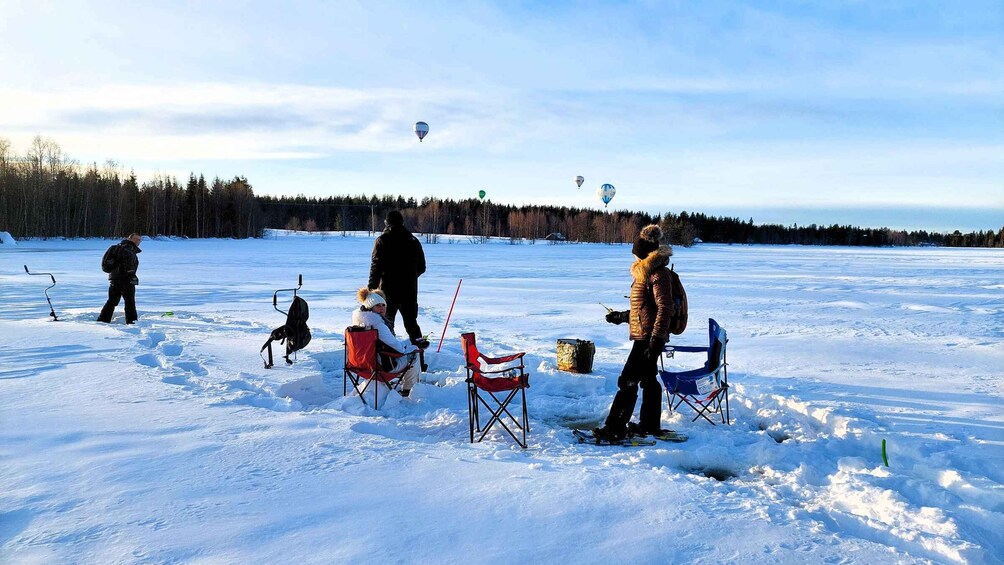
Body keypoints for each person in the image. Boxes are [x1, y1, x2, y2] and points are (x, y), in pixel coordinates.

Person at [594, 224, 675, 442]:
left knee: (628, 380)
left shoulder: (658, 274)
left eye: (635, 252)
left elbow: (665, 308)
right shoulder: (646, 273)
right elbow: (644, 308)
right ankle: (649, 425)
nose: (632, 256)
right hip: (646, 335)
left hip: (648, 338)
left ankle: (615, 428)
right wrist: (622, 316)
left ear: (644, 254)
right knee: (648, 379)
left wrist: (656, 339)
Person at [367, 210, 429, 348]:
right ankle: (420, 361)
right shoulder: (413, 241)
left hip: (388, 292)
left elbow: (375, 267)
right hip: (409, 291)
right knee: (412, 324)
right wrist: (409, 277)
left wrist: (371, 291)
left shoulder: (382, 240)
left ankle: (388, 360)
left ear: (387, 223)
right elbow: (422, 267)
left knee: (387, 326)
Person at [352, 287, 420, 397]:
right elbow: (398, 348)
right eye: (377, 305)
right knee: (415, 353)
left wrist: (408, 343)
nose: (382, 308)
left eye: (383, 305)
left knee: (410, 348)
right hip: (382, 367)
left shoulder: (359, 325)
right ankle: (409, 390)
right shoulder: (378, 325)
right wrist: (413, 344)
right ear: (370, 307)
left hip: (362, 366)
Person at [98, 233, 142, 324]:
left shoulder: (120, 248)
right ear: (130, 238)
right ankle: (132, 322)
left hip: (115, 279)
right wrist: (130, 274)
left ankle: (103, 320)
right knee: (129, 302)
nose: (138, 241)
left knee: (112, 301)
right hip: (125, 279)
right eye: (136, 239)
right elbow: (127, 265)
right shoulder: (127, 249)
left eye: (139, 240)